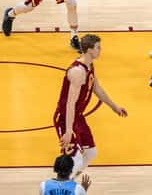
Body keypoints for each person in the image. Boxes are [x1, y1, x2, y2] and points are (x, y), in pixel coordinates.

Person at [54, 34, 128, 179]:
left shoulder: (89, 66)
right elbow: (70, 104)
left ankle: (70, 180)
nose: (101, 50)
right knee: (75, 159)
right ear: (89, 50)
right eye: (98, 47)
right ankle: (64, 186)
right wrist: (68, 130)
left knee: (91, 153)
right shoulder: (77, 72)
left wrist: (114, 107)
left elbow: (97, 89)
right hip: (65, 118)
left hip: (78, 116)